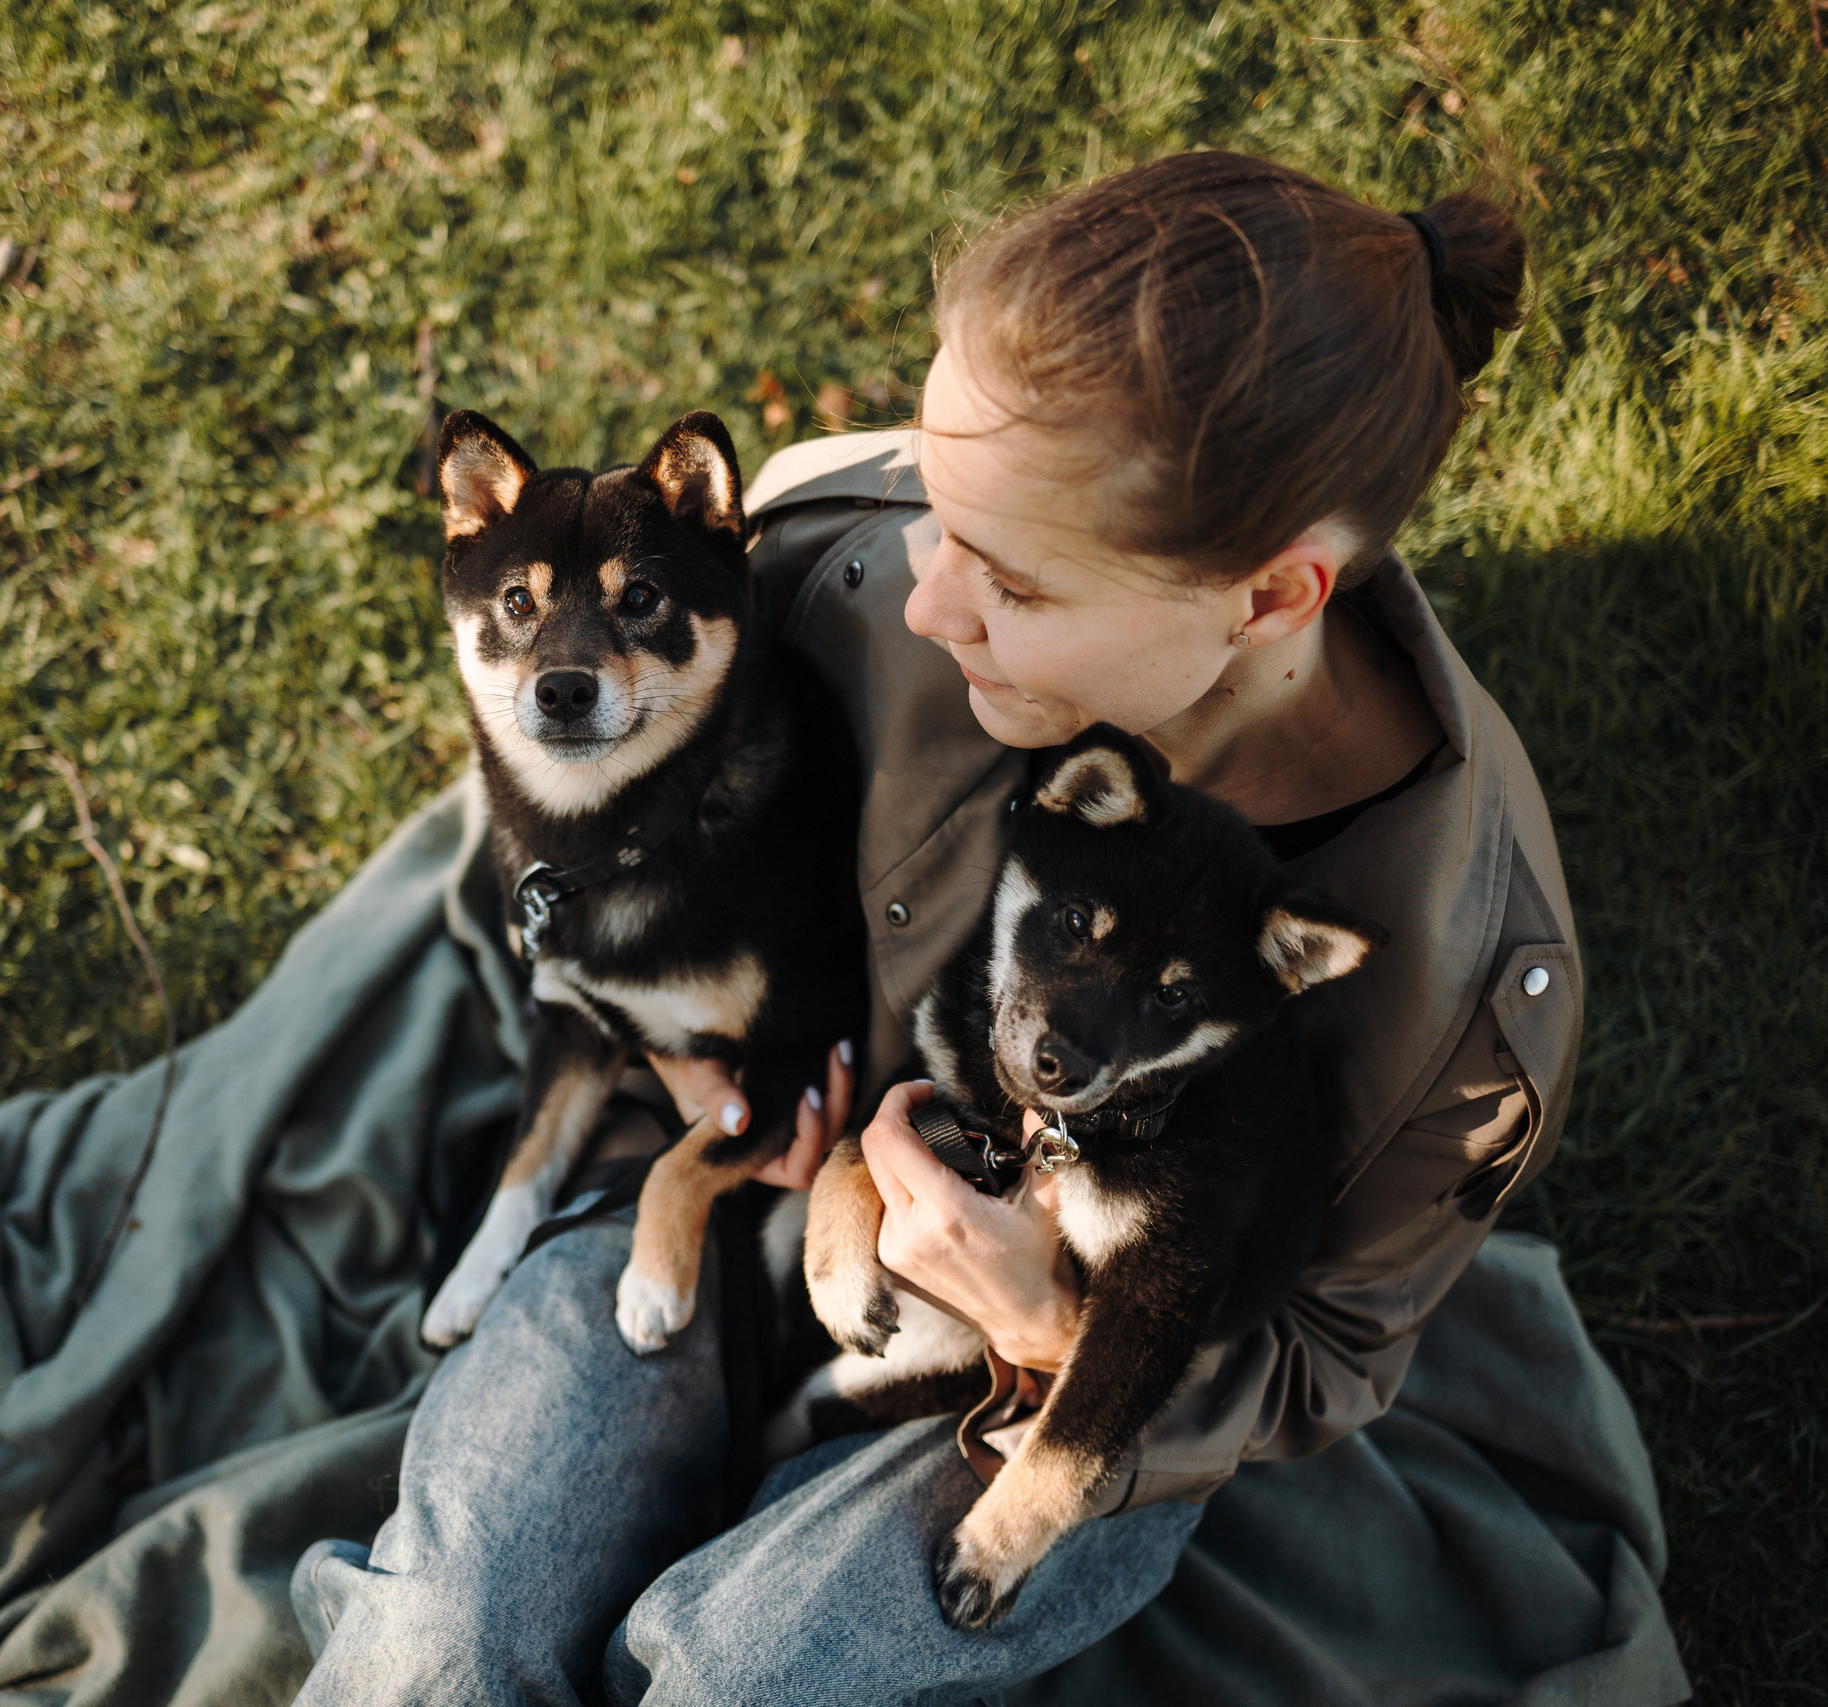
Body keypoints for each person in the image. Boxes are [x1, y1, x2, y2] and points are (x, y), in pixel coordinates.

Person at [289, 152, 1585, 1705]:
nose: (924, 603)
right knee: (433, 1648)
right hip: (733, 1198)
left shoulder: (1465, 989)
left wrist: (1045, 1315)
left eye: (1010, 581)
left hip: (1022, 1395)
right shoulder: (849, 537)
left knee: (730, 1678)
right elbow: (589, 756)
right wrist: (685, 1068)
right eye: (937, 512)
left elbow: (1324, 1358)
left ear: (1267, 598)